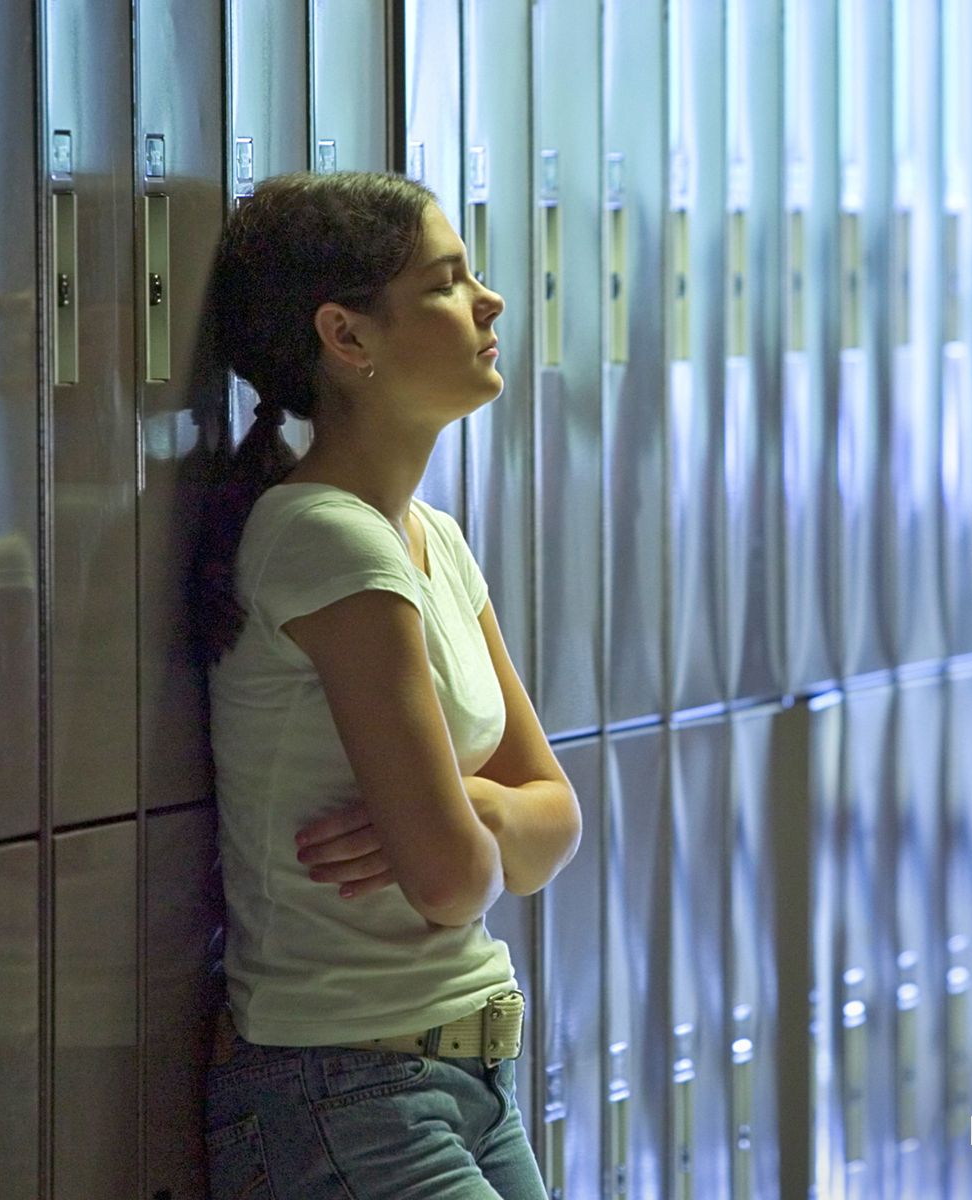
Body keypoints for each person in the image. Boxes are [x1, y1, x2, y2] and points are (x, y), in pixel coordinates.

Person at [195, 169, 582, 1200]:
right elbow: (455, 882)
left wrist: (474, 808)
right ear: (347, 336)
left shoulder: (433, 541)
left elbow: (555, 819)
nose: (491, 302)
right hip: (348, 1092)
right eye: (449, 283)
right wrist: (471, 829)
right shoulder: (325, 539)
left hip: (471, 1071)